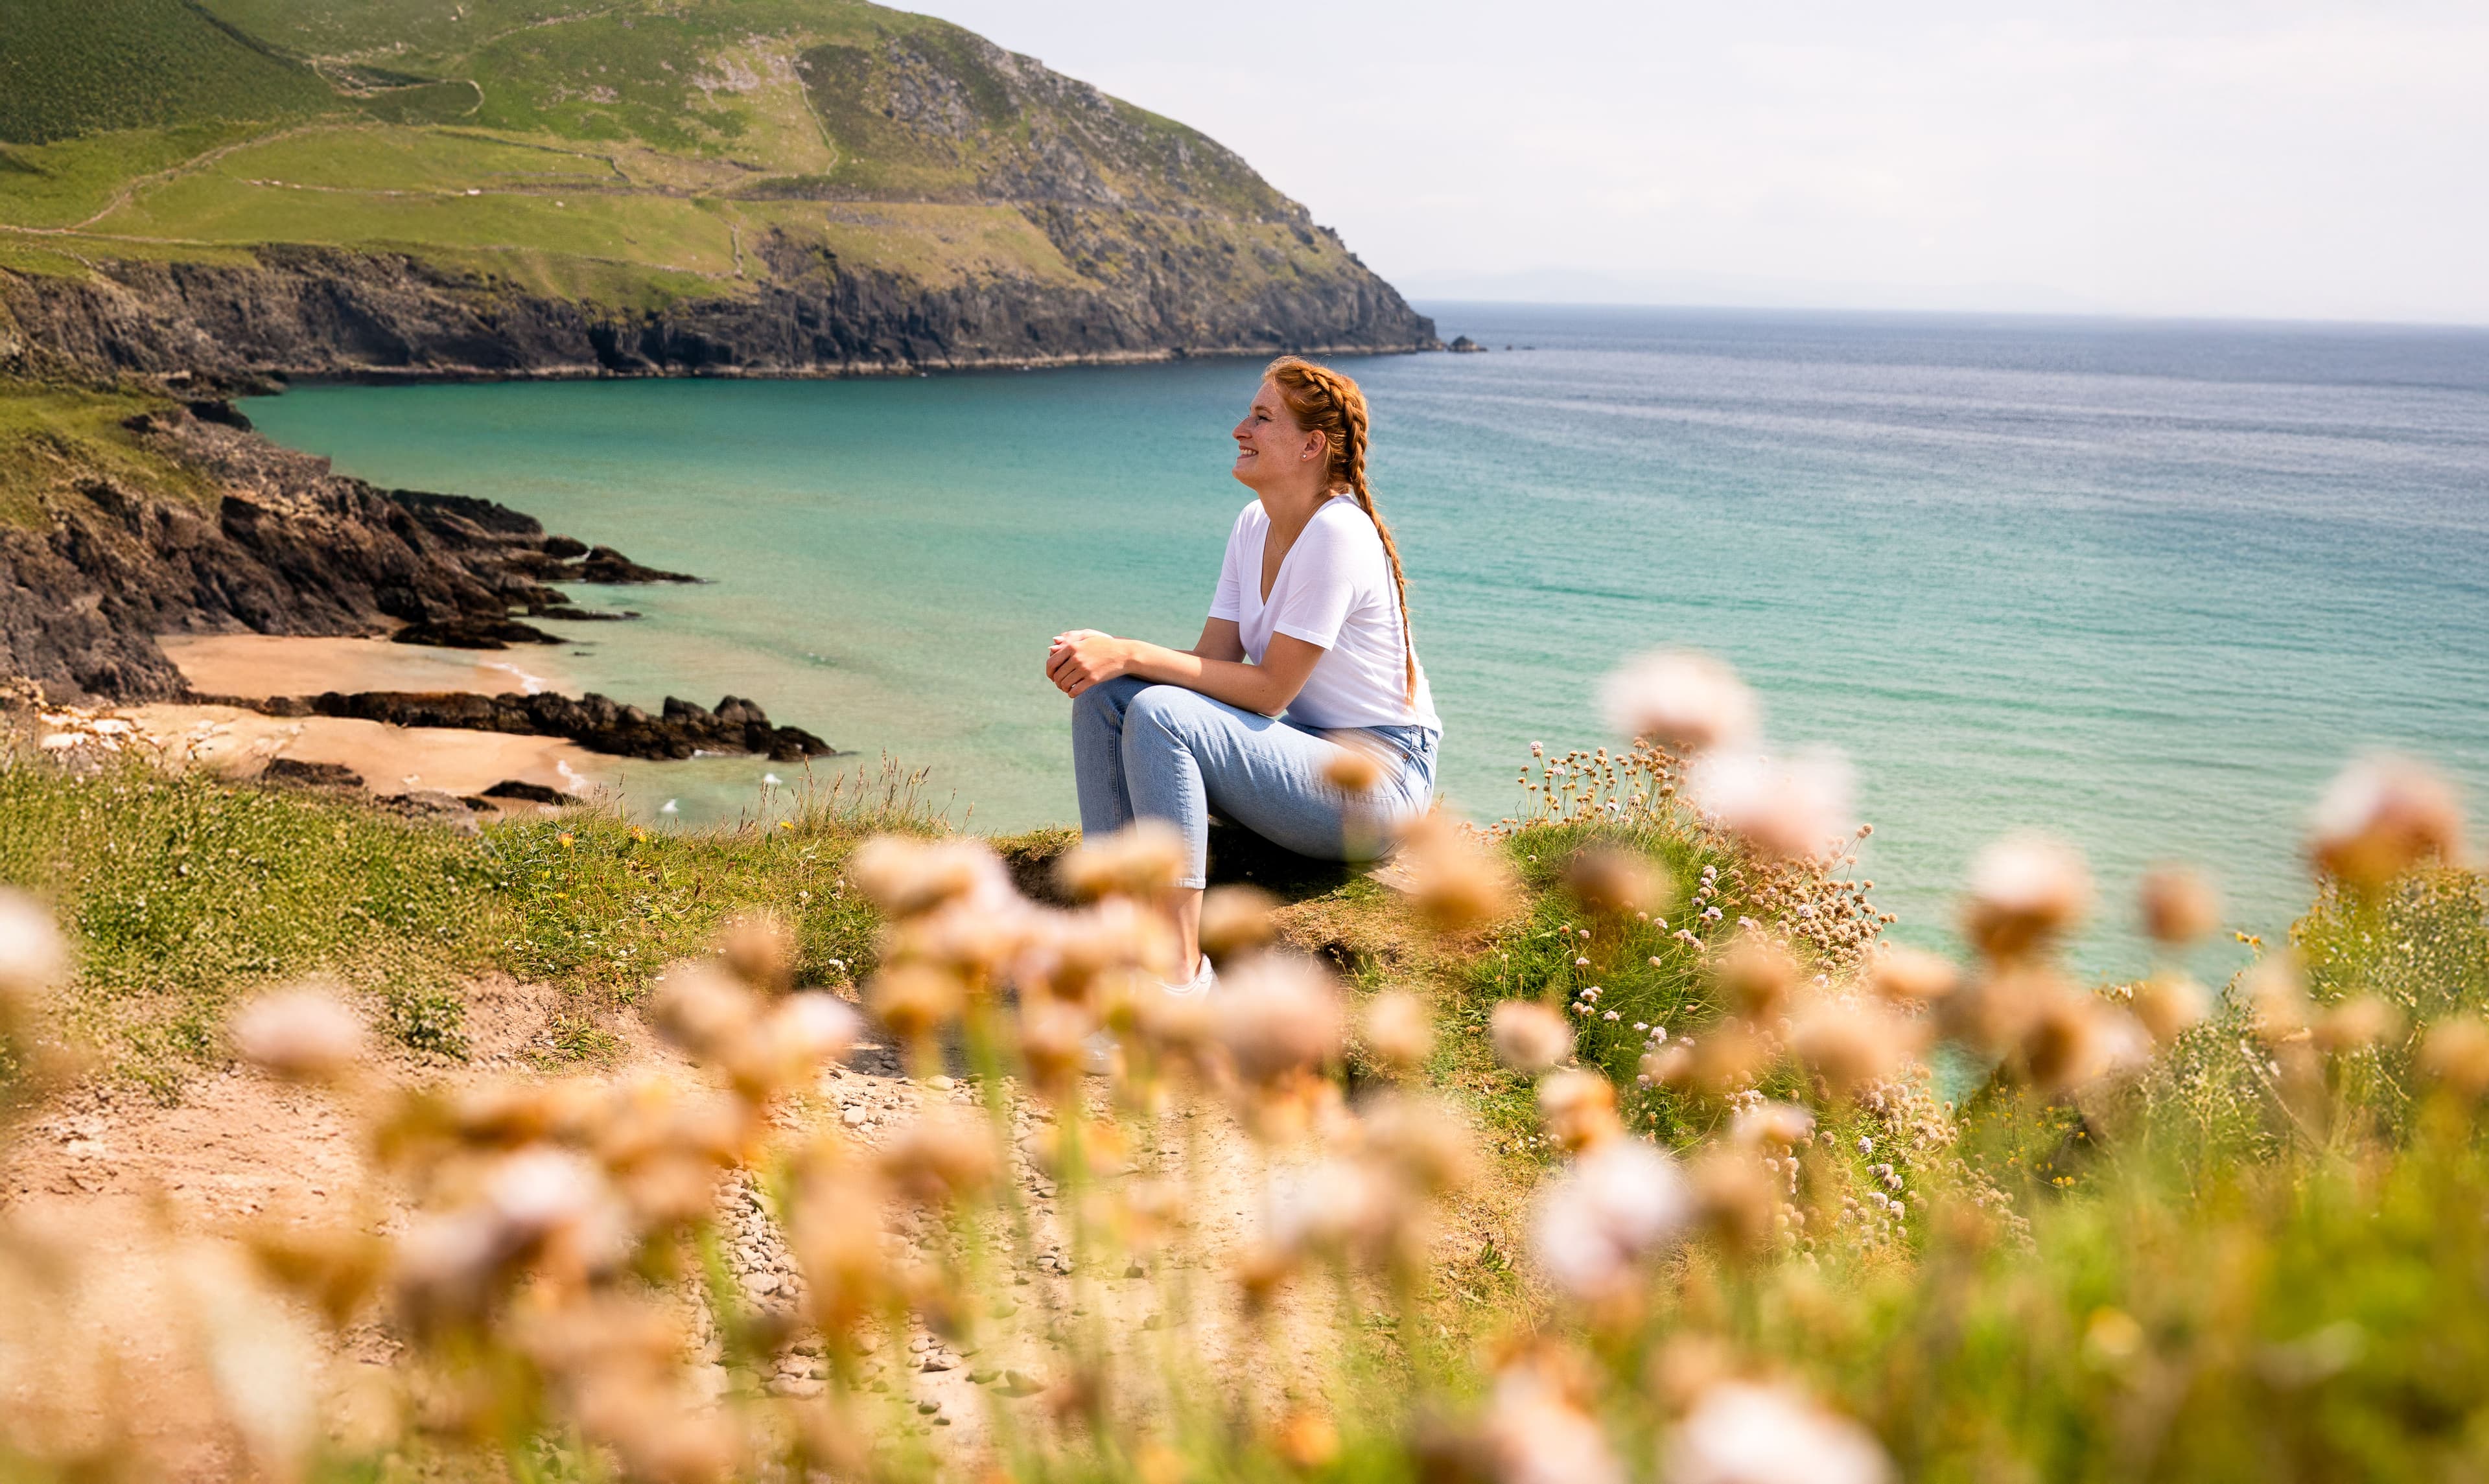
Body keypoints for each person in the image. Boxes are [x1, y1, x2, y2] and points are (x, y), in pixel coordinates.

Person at [1046, 356, 1442, 995]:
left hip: (1379, 787)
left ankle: (1179, 981)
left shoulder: (1338, 533)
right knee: (1110, 698)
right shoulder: (1253, 525)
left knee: (1155, 708)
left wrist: (1131, 650)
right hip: (1306, 762)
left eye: (1262, 418)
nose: (1240, 428)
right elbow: (1214, 667)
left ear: (1312, 445)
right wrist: (1113, 662)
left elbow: (1271, 691)